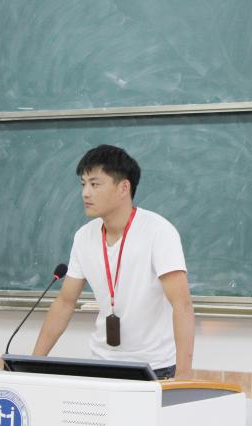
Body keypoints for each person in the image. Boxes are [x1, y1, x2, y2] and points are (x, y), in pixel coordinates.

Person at [33, 144, 195, 380]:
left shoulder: (158, 232)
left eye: (95, 184)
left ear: (123, 188)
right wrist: (34, 363)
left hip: (155, 367)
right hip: (102, 363)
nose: (85, 193)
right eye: (83, 184)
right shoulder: (84, 236)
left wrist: (184, 376)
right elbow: (65, 302)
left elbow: (182, 305)